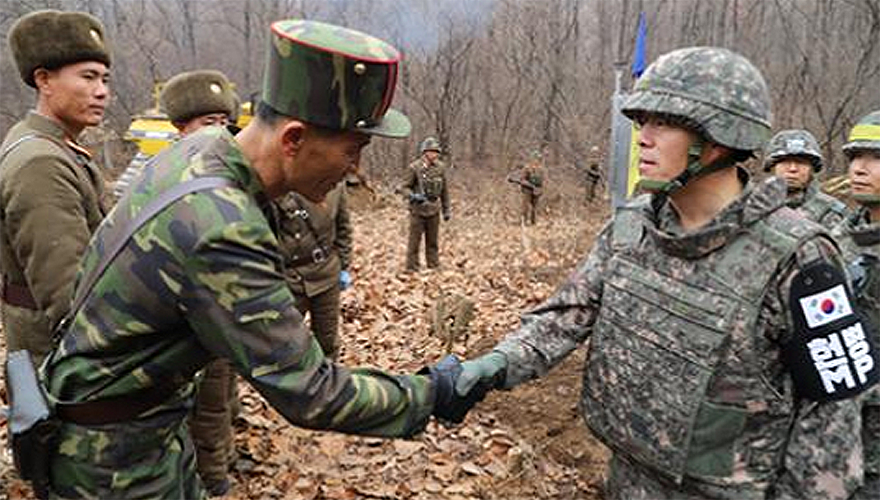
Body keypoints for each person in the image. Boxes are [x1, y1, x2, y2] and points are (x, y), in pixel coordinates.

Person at [41, 19, 477, 499]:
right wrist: (433, 392)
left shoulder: (201, 150)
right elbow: (311, 392)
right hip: (114, 463)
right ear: (293, 140)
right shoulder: (223, 225)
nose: (355, 170)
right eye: (352, 151)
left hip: (138, 426)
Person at [449, 47, 878, 500]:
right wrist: (494, 365)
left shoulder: (800, 257)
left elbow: (832, 414)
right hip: (627, 476)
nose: (643, 139)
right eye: (641, 123)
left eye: (664, 123)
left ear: (721, 136)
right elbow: (567, 313)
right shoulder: (635, 224)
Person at [0, 10, 110, 364]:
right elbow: (69, 296)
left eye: (105, 79)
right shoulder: (41, 162)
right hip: (61, 363)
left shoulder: (53, 146)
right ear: (44, 80)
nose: (102, 92)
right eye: (88, 77)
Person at [152, 69, 239, 496]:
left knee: (218, 400)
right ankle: (207, 476)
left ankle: (219, 469)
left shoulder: (228, 173)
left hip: (218, 312)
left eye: (224, 123)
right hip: (173, 321)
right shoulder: (154, 172)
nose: (219, 133)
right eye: (209, 123)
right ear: (181, 126)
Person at [832, 110, 880, 500]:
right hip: (831, 432)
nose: (860, 168)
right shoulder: (833, 239)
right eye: (855, 157)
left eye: (876, 159)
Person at [273, 181, 353, 359]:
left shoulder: (336, 187)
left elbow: (343, 229)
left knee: (327, 341)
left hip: (326, 274)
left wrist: (344, 266)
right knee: (285, 342)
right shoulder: (280, 184)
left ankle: (329, 383)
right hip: (288, 278)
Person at [764, 129, 848, 228]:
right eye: (785, 162)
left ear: (812, 169)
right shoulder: (751, 207)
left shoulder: (830, 212)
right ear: (772, 167)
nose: (793, 169)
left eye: (801, 162)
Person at [402, 136, 450, 271]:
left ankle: (433, 266)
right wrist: (413, 196)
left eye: (436, 152)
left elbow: (444, 190)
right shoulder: (414, 168)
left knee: (433, 242)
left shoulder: (440, 168)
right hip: (418, 210)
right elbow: (404, 187)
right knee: (414, 242)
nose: (435, 154)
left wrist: (446, 209)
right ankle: (411, 268)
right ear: (425, 152)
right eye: (432, 151)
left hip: (434, 209)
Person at [519, 149, 544, 225]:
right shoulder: (527, 168)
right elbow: (522, 180)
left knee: (535, 207)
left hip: (536, 190)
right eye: (536, 158)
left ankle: (533, 222)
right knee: (525, 206)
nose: (537, 161)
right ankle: (524, 222)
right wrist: (530, 185)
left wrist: (540, 189)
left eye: (539, 159)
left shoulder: (540, 169)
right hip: (527, 190)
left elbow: (541, 181)